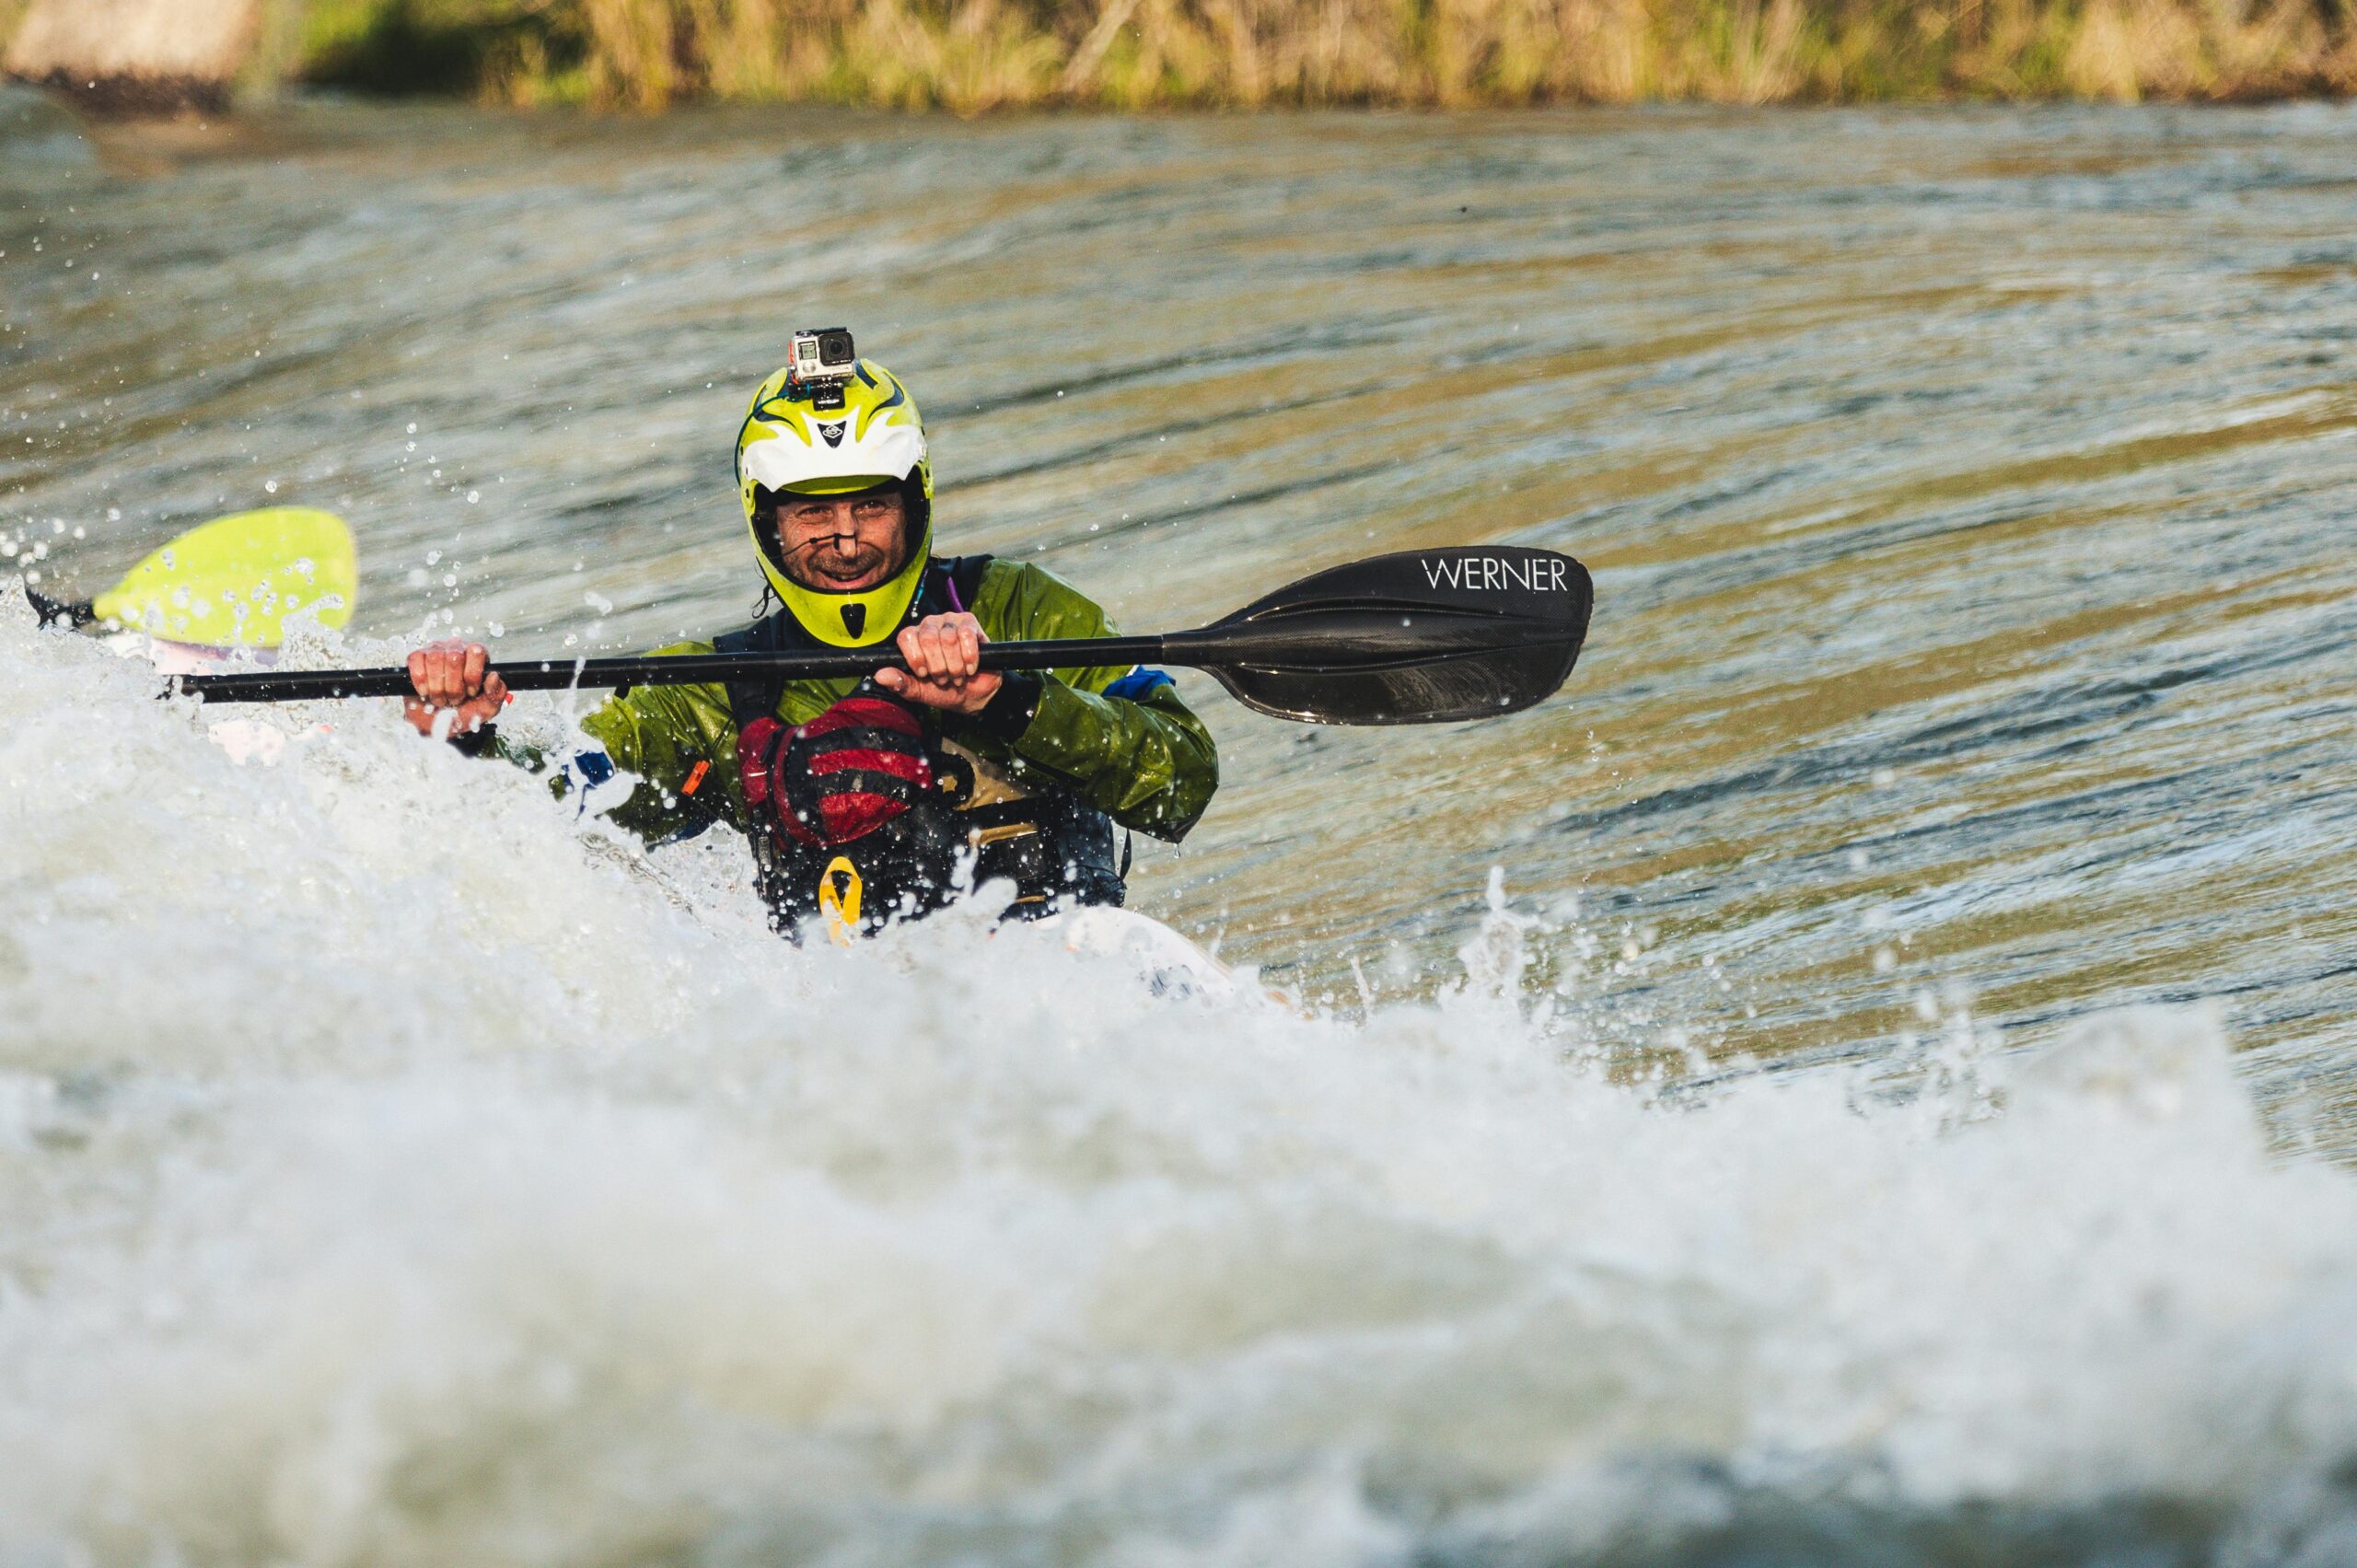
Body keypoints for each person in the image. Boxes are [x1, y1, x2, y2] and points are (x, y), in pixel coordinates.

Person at [402, 352, 1219, 935]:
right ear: (767, 522)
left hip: (1080, 978)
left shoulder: (1020, 609)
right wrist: (468, 735)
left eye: (870, 507)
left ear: (915, 502)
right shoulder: (714, 690)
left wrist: (1002, 699)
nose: (845, 539)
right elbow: (560, 815)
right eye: (812, 515)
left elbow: (1182, 781)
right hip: (862, 1034)